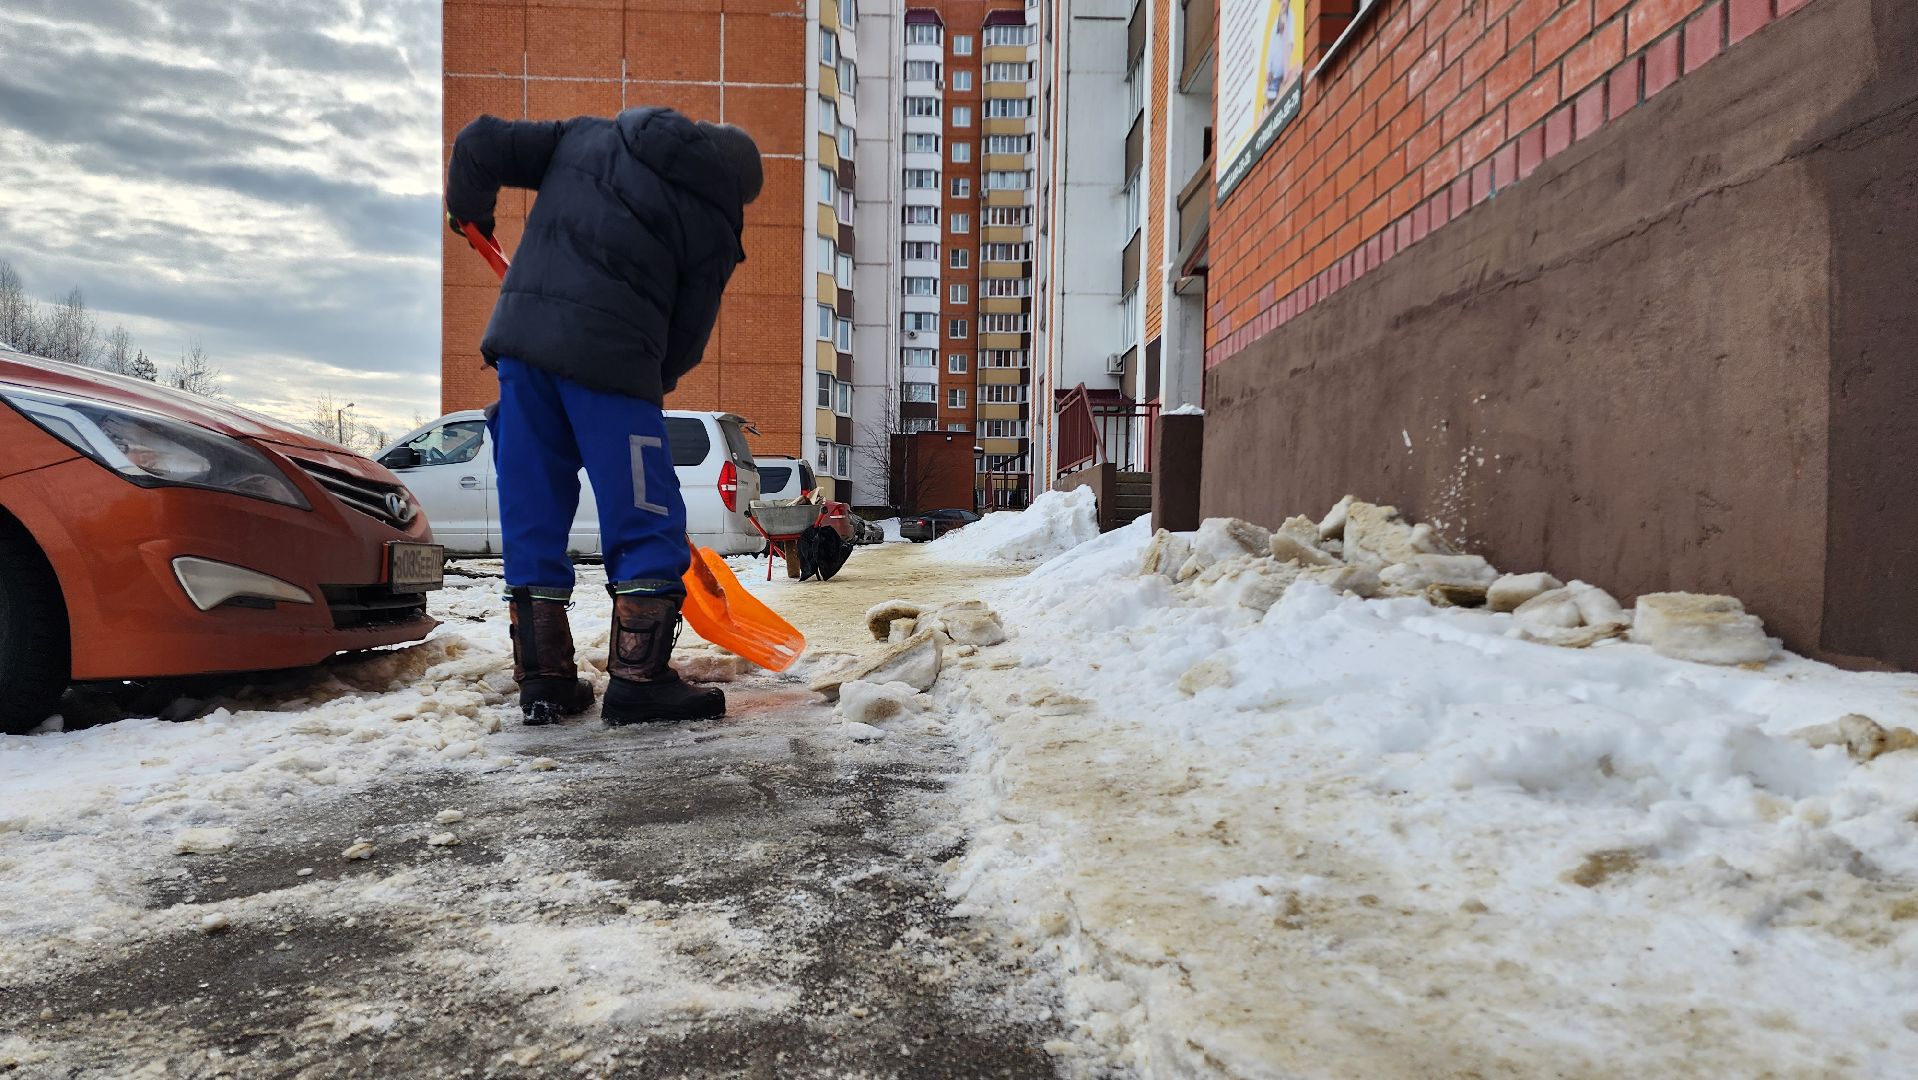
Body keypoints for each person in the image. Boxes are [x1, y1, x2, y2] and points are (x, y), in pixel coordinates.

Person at [443, 107, 762, 727]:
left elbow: (479, 143)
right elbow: (689, 332)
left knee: (532, 509)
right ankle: (639, 679)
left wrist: (470, 210)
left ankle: (545, 680)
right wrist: (651, 379)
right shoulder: (715, 212)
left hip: (523, 346)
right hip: (616, 357)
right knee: (644, 513)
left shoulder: (590, 135)